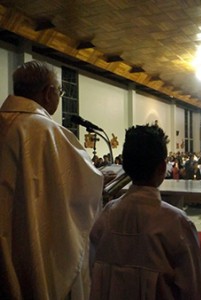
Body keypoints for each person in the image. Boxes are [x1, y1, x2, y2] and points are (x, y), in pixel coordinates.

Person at [0, 61, 104, 299]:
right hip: (27, 244)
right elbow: (80, 190)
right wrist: (99, 179)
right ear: (48, 93)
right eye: (60, 91)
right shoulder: (45, 130)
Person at [89, 125, 201, 299]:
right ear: (161, 167)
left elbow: (94, 272)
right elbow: (193, 291)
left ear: (125, 167)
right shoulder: (176, 223)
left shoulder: (106, 215)